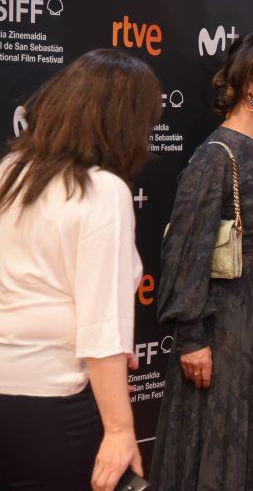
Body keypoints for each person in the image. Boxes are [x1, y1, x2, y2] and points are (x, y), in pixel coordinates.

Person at [151, 31, 253, 490]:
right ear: (250, 84)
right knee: (225, 445)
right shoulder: (215, 157)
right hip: (230, 331)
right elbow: (185, 252)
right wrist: (190, 339)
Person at [0, 49, 161, 491]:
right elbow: (101, 325)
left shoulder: (10, 172)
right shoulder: (102, 191)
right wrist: (119, 430)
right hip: (49, 407)